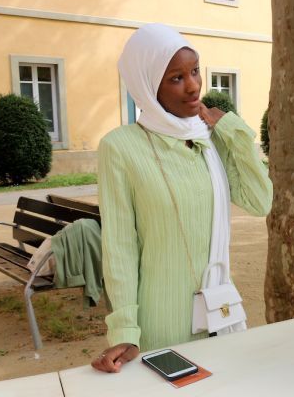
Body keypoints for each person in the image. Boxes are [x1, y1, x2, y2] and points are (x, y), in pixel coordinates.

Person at [91, 24, 272, 373]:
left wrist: (234, 132)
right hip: (162, 322)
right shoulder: (121, 147)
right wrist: (125, 329)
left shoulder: (210, 138)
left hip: (220, 314)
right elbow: (120, 247)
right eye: (175, 78)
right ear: (148, 84)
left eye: (194, 71)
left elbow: (260, 201)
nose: (192, 86)